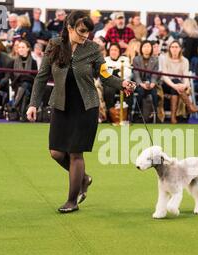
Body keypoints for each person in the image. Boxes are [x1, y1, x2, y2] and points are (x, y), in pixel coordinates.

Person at [26, 11, 136, 213]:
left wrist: (123, 84)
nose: (86, 35)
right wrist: (33, 104)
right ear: (69, 28)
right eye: (82, 31)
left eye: (88, 31)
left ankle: (72, 200)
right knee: (56, 153)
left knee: (76, 154)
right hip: (60, 105)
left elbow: (105, 76)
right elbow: (41, 77)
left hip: (86, 107)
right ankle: (83, 178)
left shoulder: (93, 49)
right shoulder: (54, 45)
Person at [160, 40, 198, 124]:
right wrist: (174, 85)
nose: (174, 49)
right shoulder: (165, 59)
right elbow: (165, 77)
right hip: (166, 84)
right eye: (172, 47)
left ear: (180, 49)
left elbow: (186, 77)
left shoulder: (185, 60)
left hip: (179, 87)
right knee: (175, 81)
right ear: (169, 49)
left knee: (177, 85)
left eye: (176, 47)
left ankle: (173, 117)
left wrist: (184, 85)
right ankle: (190, 105)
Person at [103, 43, 133, 118]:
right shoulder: (105, 60)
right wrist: (117, 71)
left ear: (119, 51)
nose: (113, 52)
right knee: (108, 89)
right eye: (112, 50)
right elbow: (104, 74)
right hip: (110, 84)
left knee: (130, 87)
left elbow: (128, 74)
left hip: (123, 82)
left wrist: (116, 72)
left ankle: (126, 115)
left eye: (116, 50)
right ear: (109, 51)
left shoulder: (125, 59)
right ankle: (111, 114)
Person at [11, 40, 38, 121]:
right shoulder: (13, 62)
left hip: (30, 85)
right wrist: (23, 77)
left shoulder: (33, 62)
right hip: (17, 85)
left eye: (23, 47)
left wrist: (23, 77)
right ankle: (23, 115)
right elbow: (13, 78)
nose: (21, 49)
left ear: (28, 49)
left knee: (26, 85)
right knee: (25, 89)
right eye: (19, 47)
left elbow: (34, 77)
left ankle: (15, 105)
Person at [133, 40, 160, 114]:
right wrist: (141, 84)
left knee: (154, 93)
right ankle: (136, 112)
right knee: (141, 92)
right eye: (144, 46)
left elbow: (155, 74)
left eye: (148, 46)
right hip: (139, 83)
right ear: (141, 48)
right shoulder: (136, 59)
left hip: (151, 82)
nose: (146, 48)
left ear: (151, 48)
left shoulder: (155, 60)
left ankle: (155, 113)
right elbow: (136, 74)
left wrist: (153, 83)